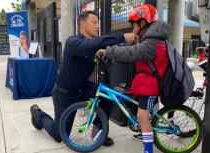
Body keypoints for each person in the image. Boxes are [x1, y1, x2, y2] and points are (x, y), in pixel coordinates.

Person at [30, 11, 138, 147]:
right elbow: (93, 45)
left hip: (83, 88)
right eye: (94, 22)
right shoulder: (72, 42)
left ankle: (99, 132)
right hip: (65, 94)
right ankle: (37, 114)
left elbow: (111, 48)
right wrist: (122, 37)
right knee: (59, 136)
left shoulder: (94, 45)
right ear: (82, 24)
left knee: (108, 94)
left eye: (98, 23)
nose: (98, 26)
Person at [96, 4, 171, 153]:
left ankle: (148, 150)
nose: (133, 30)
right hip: (144, 84)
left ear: (143, 23)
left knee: (142, 117)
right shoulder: (150, 41)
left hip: (150, 86)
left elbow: (133, 52)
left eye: (134, 26)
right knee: (141, 115)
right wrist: (116, 59)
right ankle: (146, 130)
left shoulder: (152, 42)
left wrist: (109, 52)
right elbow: (136, 58)